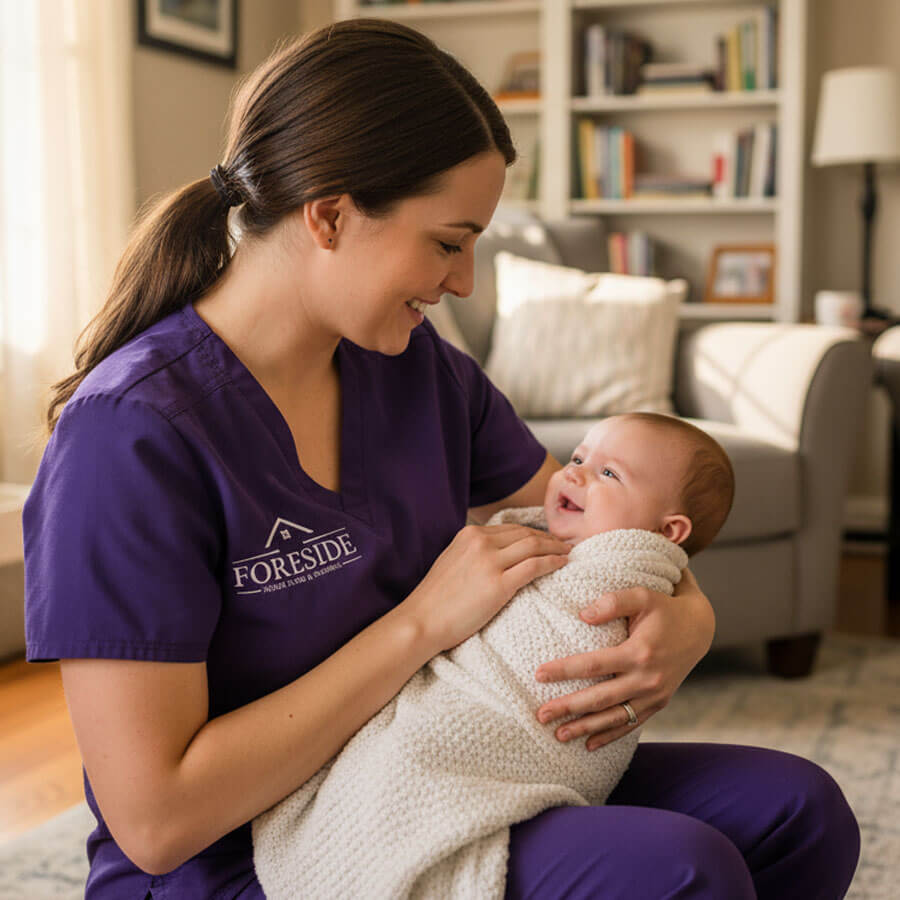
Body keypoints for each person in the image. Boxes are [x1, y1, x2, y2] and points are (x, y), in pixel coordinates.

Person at [22, 18, 859, 900]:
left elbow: (594, 521)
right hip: (252, 856)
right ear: (331, 214)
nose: (463, 281)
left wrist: (691, 617)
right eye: (449, 241)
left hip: (434, 772)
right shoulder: (130, 437)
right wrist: (422, 623)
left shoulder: (416, 370)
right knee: (684, 874)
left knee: (801, 811)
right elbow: (157, 823)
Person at [251, 412, 736, 899]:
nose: (571, 474)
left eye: (608, 473)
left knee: (802, 797)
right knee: (689, 861)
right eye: (578, 458)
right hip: (385, 737)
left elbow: (630, 561)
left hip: (516, 751)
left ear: (668, 532)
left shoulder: (611, 573)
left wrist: (694, 616)